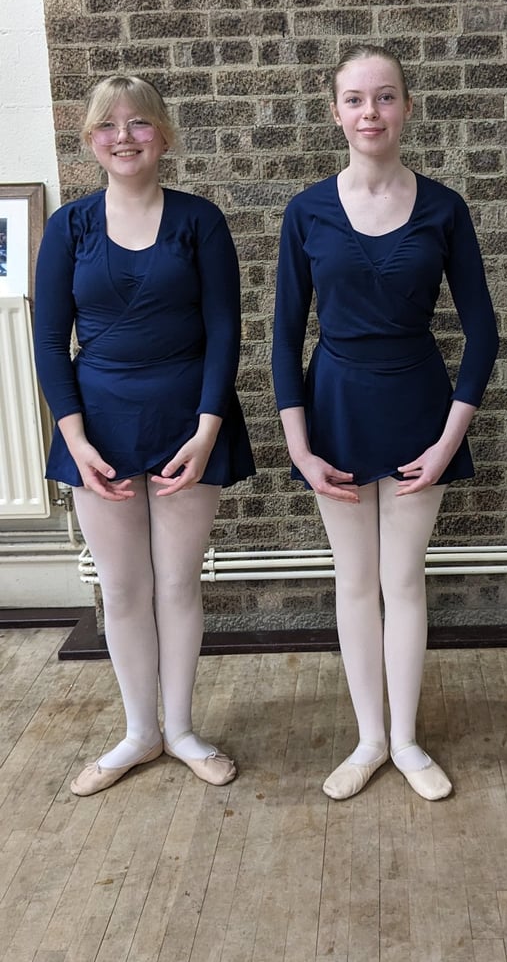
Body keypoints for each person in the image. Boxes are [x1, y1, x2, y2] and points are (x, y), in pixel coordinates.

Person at [271, 44, 499, 801]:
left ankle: (406, 739)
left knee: (402, 579)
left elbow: (483, 332)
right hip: (334, 406)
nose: (371, 112)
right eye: (356, 99)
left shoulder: (444, 208)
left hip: (417, 408)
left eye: (385, 96)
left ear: (406, 107)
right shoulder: (306, 211)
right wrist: (300, 447)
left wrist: (449, 440)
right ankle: (369, 737)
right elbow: (283, 336)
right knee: (354, 581)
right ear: (336, 112)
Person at [34, 75, 255, 796]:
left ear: (162, 134)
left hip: (188, 423)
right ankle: (139, 732)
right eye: (108, 124)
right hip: (97, 427)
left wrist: (206, 430)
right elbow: (49, 342)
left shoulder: (200, 220)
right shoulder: (70, 227)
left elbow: (225, 331)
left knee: (179, 584)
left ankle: (182, 729)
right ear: (90, 138)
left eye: (137, 123)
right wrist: (76, 439)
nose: (123, 136)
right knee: (123, 589)